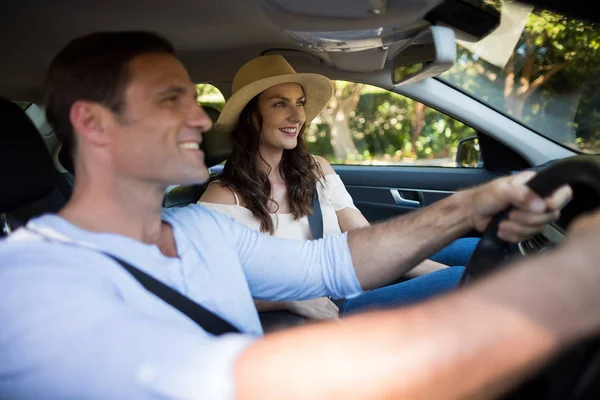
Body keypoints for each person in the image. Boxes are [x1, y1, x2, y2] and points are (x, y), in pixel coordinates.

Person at [0, 31, 595, 400]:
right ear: (93, 124)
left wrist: (470, 207)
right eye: (170, 99)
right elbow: (229, 384)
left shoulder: (199, 230)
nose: (203, 120)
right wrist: (567, 286)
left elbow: (331, 259)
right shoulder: (27, 285)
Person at [199, 55, 477, 321]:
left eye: (300, 103)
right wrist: (284, 299)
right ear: (251, 117)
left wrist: (435, 270)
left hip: (353, 277)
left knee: (471, 250)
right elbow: (202, 287)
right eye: (280, 104)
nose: (298, 115)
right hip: (330, 309)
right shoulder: (224, 198)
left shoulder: (316, 168)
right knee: (458, 279)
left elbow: (366, 238)